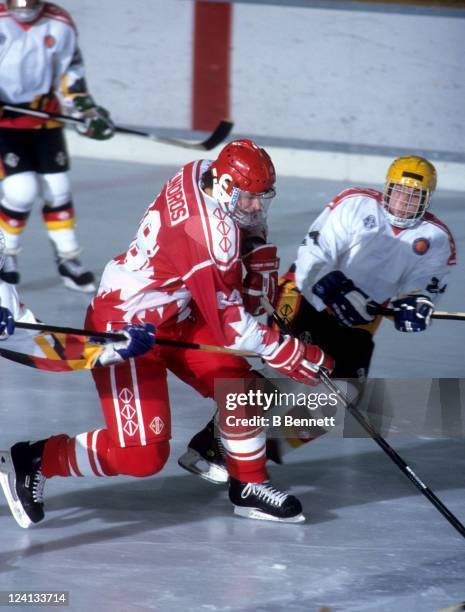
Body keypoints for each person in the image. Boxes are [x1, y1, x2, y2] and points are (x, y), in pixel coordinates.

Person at [0, 139, 334, 528]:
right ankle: (35, 458)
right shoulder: (210, 234)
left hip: (178, 311)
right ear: (225, 186)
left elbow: (240, 230)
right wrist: (288, 351)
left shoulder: (201, 170)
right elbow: (234, 331)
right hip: (124, 326)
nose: (256, 207)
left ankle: (248, 485)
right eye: (248, 199)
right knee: (141, 457)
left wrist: (255, 246)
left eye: (262, 198)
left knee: (243, 389)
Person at [181, 155, 457, 472]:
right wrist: (334, 285)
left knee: (343, 399)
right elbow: (313, 252)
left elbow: (426, 287)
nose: (405, 200)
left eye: (415, 195)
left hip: (359, 322)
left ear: (427, 199)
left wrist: (418, 304)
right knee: (281, 374)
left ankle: (260, 449)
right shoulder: (355, 204)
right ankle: (206, 446)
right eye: (399, 191)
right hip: (305, 295)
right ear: (387, 188)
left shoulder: (436, 239)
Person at [0, 0, 114, 291]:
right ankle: (6, 254)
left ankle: (67, 259)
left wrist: (85, 112)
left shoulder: (59, 22)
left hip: (45, 119)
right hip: (5, 124)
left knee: (58, 188)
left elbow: (70, 74)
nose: (23, 6)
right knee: (20, 190)